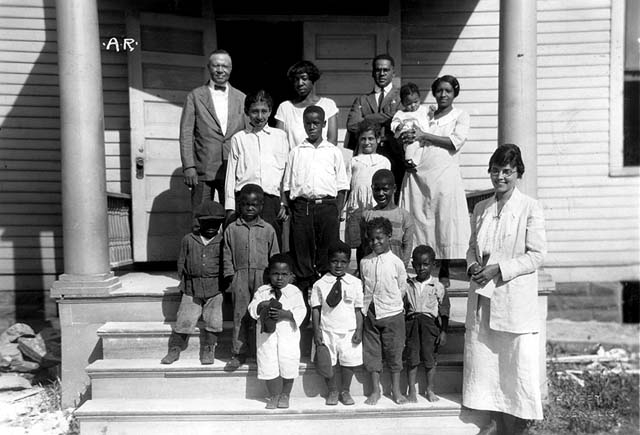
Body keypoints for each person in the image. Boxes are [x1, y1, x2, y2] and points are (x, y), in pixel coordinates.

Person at [463, 144, 547, 435]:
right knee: (488, 362)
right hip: (484, 295)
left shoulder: (530, 207)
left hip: (512, 297)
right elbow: (473, 246)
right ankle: (494, 421)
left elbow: (536, 255)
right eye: (496, 171)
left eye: (507, 171)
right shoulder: (482, 208)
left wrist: (499, 268)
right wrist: (473, 264)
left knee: (515, 364)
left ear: (518, 174)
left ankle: (518, 426)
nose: (500, 177)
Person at [399, 75, 471, 288]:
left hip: (445, 175)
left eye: (448, 91)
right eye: (439, 91)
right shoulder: (425, 113)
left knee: (443, 219)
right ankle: (422, 268)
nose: (443, 95)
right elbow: (408, 131)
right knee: (421, 219)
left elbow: (453, 142)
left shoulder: (460, 115)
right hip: (419, 174)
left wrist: (424, 135)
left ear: (454, 93)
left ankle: (445, 269)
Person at [282, 105, 349, 295]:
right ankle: (303, 308)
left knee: (326, 256)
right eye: (308, 123)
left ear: (324, 124)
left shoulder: (333, 151)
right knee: (302, 256)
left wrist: (336, 211)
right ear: (303, 125)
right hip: (302, 208)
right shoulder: (296, 152)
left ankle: (325, 303)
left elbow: (342, 187)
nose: (312, 127)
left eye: (316, 123)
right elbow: (287, 186)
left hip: (327, 208)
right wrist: (293, 209)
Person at [180, 49, 246, 210]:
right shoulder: (195, 96)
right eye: (216, 65)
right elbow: (186, 134)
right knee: (200, 216)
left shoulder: (242, 98)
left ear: (230, 69)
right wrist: (189, 166)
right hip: (204, 168)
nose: (220, 70)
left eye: (225, 66)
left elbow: (247, 133)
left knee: (232, 215)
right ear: (209, 67)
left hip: (232, 167)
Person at [161, 200, 226, 365]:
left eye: (215, 223)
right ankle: (175, 348)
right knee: (184, 319)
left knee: (214, 319)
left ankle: (209, 348)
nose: (211, 226)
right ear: (199, 222)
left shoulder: (223, 241)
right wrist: (184, 284)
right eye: (206, 223)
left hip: (215, 288)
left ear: (220, 223)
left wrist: (224, 287)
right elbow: (181, 262)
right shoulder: (189, 240)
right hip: (192, 287)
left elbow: (226, 264)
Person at [223, 184, 279, 370]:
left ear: (261, 206)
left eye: (254, 204)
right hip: (240, 277)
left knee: (259, 314)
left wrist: (273, 281)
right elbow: (227, 254)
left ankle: (258, 352)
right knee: (240, 315)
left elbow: (275, 255)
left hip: (262, 279)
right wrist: (230, 277)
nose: (249, 208)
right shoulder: (232, 229)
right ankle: (238, 353)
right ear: (239, 205)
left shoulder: (268, 229)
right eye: (245, 204)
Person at [224, 90, 289, 247]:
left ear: (270, 112)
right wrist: (230, 207)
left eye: (264, 111)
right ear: (247, 112)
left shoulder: (280, 136)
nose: (259, 116)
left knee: (271, 243)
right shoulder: (239, 138)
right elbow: (231, 174)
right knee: (245, 242)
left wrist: (284, 202)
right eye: (255, 111)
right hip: (245, 199)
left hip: (270, 199)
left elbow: (286, 172)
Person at [248, 253, 307, 410]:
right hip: (267, 337)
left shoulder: (294, 292)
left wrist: (287, 314)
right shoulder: (262, 291)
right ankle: (274, 395)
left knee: (288, 362)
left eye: (284, 274)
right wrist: (261, 305)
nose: (279, 278)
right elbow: (252, 308)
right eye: (275, 274)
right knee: (268, 363)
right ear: (269, 274)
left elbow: (301, 311)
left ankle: (285, 394)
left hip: (288, 336)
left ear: (290, 276)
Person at [360, 217, 408, 405]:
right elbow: (365, 286)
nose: (375, 243)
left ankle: (395, 390)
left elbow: (402, 287)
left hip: (393, 313)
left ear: (389, 237)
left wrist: (393, 306)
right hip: (370, 313)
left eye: (379, 238)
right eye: (371, 239)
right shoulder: (365, 261)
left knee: (394, 352)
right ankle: (375, 390)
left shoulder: (396, 262)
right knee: (372, 353)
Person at [310, 241, 363, 406]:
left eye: (343, 262)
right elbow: (316, 309)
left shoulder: (355, 282)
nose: (339, 265)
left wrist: (359, 330)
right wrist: (316, 331)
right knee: (328, 362)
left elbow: (358, 309)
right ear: (328, 261)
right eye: (334, 261)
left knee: (349, 361)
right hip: (327, 330)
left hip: (349, 330)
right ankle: (332, 391)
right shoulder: (320, 284)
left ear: (348, 262)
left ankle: (345, 391)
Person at [346, 54, 402, 198]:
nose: (381, 73)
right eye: (378, 70)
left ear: (393, 72)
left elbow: (400, 119)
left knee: (392, 197)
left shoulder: (401, 96)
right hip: (367, 155)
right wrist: (386, 116)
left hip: (394, 154)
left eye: (386, 70)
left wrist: (367, 118)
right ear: (372, 73)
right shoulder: (363, 99)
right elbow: (352, 125)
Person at [404, 245, 450, 403]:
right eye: (417, 264)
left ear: (433, 265)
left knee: (430, 358)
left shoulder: (438, 287)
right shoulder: (408, 284)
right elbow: (404, 307)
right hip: (412, 326)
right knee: (412, 358)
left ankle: (430, 389)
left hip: (430, 326)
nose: (421, 268)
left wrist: (443, 331)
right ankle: (411, 389)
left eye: (425, 264)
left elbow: (444, 311)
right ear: (413, 264)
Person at [344, 121, 391, 255]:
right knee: (360, 243)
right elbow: (347, 186)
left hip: (376, 207)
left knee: (375, 240)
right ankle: (361, 270)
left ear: (378, 139)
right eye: (363, 139)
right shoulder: (354, 161)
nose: (367, 142)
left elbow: (388, 188)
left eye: (370, 138)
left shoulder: (384, 161)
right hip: (357, 207)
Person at [275, 60, 338, 149]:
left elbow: (332, 140)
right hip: (295, 160)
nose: (300, 83)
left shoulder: (328, 105)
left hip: (322, 159)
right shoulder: (285, 107)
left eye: (304, 78)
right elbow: (279, 141)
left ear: (312, 79)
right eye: (296, 79)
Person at [361, 169, 414, 268]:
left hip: (394, 271)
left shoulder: (403, 216)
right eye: (377, 189)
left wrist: (402, 268)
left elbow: (407, 246)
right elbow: (363, 247)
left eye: (385, 189)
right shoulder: (367, 215)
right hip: (372, 268)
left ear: (394, 188)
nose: (381, 193)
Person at [391, 82, 430, 170]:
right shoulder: (401, 114)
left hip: (425, 138)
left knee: (422, 151)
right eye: (409, 104)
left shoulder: (423, 110)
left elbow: (430, 119)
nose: (413, 105)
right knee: (411, 147)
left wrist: (432, 111)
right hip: (410, 139)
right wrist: (398, 127)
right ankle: (409, 160)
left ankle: (416, 162)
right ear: (403, 103)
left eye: (416, 102)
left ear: (420, 98)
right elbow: (394, 123)